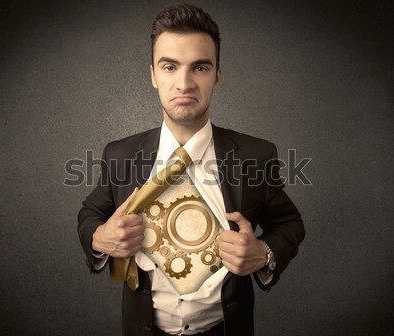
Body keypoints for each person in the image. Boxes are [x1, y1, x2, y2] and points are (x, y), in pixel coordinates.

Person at [78, 4, 305, 336]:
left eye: (199, 67)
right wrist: (100, 238)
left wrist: (264, 252)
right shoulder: (119, 154)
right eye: (170, 66)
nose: (184, 83)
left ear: (217, 75)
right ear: (153, 75)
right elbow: (90, 213)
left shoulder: (257, 156)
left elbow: (289, 223)